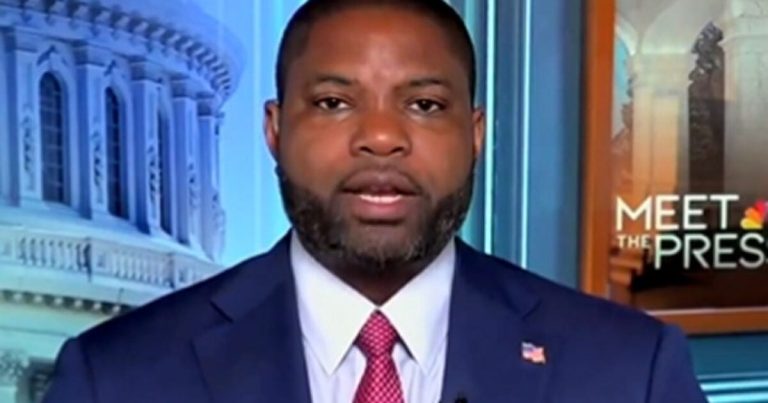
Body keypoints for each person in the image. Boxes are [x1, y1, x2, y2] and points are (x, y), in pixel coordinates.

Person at [44, 0, 707, 402]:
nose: (382, 136)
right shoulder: (116, 378)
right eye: (335, 102)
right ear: (275, 129)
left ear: (476, 135)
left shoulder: (631, 372)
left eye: (426, 105)